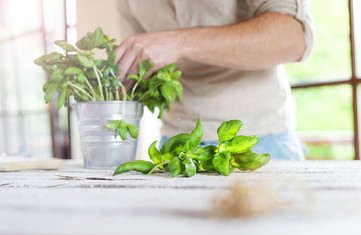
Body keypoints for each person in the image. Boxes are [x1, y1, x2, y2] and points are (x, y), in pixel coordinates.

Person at [115, 0, 315, 160]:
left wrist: (180, 42)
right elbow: (139, 66)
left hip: (258, 142)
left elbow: (292, 37)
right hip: (176, 146)